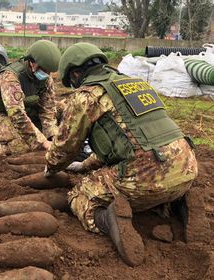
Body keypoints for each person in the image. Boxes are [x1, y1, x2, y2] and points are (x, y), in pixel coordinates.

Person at [44, 43, 203, 266]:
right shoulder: (136, 84)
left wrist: (51, 167)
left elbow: (65, 146)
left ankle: (107, 220)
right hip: (187, 166)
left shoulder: (86, 96)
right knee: (157, 182)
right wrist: (86, 164)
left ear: (76, 73)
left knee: (79, 195)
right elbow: (130, 139)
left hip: (146, 176)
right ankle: (180, 201)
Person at [0, 39, 61, 156]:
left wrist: (53, 135)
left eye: (49, 71)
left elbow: (48, 109)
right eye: (44, 70)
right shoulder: (10, 77)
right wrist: (44, 142)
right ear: (32, 62)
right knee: (20, 148)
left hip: (28, 108)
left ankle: (36, 131)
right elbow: (17, 115)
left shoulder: (46, 80)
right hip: (4, 113)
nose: (47, 74)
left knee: (65, 109)